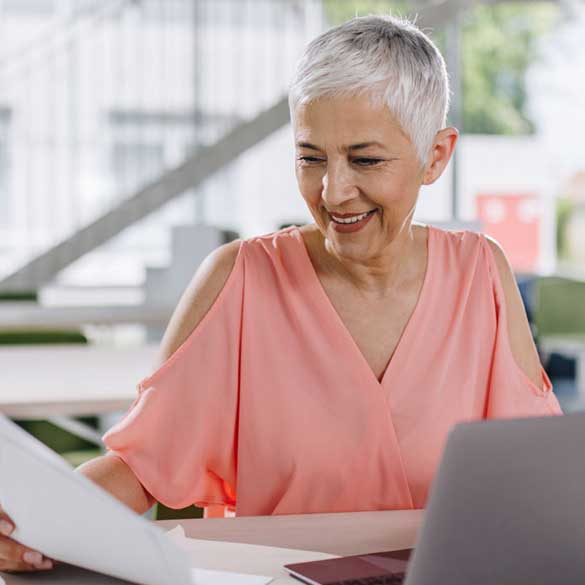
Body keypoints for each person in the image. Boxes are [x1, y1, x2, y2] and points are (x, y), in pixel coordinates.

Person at [0, 14, 562, 573]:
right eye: (310, 157)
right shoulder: (238, 280)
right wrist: (26, 524)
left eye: (365, 159)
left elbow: (539, 473)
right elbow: (138, 469)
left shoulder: (480, 273)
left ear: (435, 156)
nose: (333, 192)